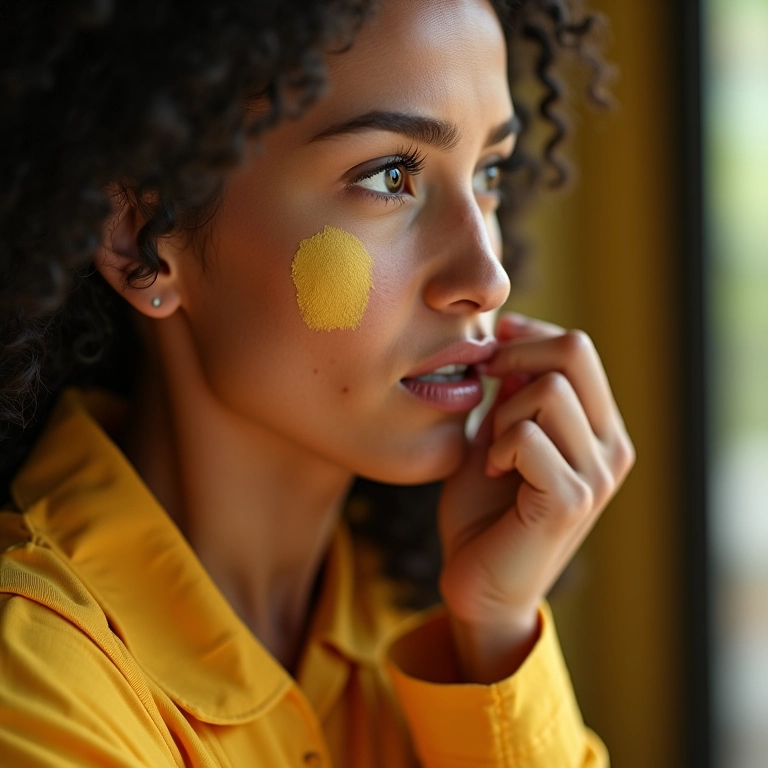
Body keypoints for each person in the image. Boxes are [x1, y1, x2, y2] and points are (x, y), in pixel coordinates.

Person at [0, 0, 634, 765]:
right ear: (143, 237)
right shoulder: (33, 687)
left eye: (489, 172)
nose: (488, 278)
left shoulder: (420, 620)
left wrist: (496, 630)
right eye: (390, 176)